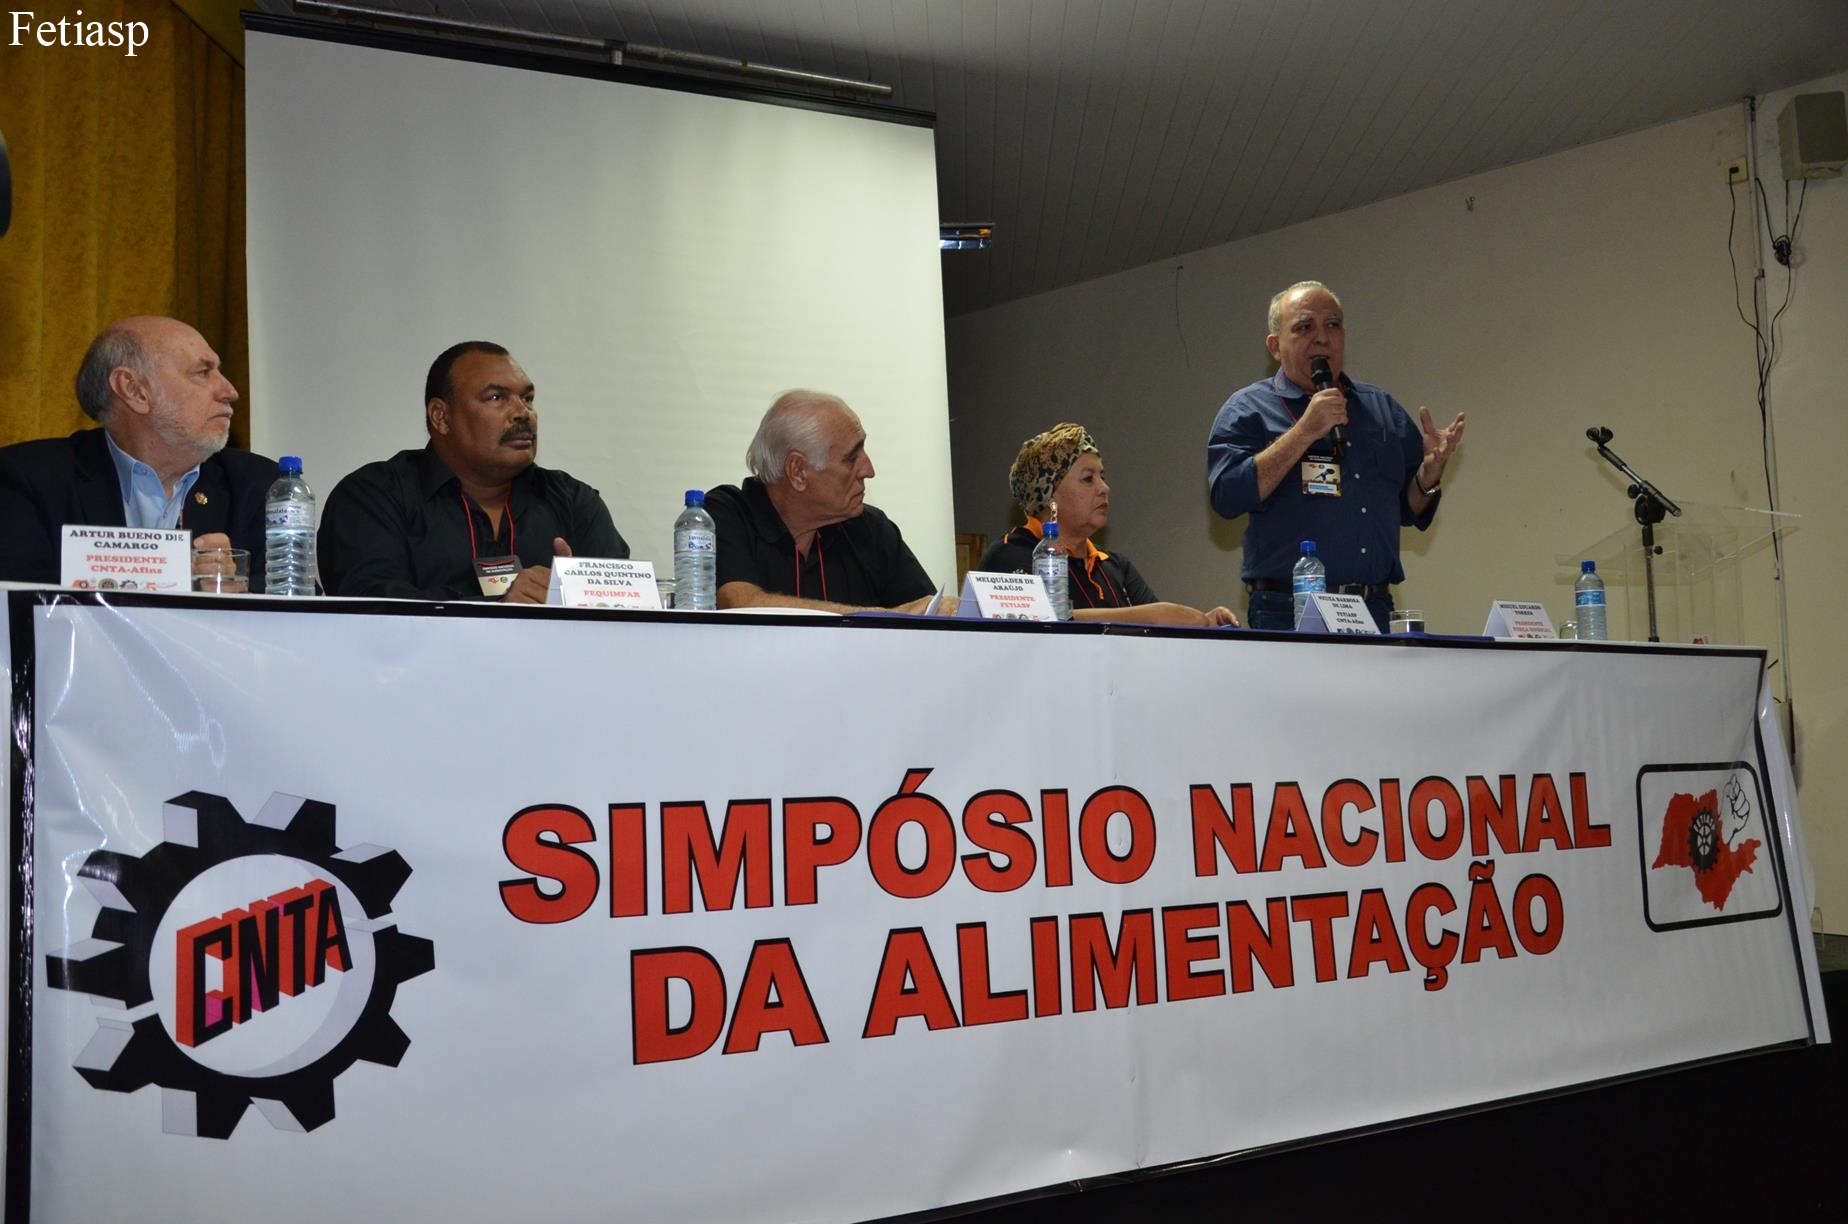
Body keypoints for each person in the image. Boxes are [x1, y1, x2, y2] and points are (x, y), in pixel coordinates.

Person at [1206, 281, 1465, 630]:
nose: (1322, 338)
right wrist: (1305, 431)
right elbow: (1227, 497)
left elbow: (1408, 510)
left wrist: (1429, 475)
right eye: (1304, 327)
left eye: (1332, 325)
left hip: (1372, 608)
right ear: (1275, 346)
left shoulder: (1381, 409)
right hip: (1289, 610)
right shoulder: (1247, 409)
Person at [318, 341, 628, 601]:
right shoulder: (374, 497)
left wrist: (582, 596)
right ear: (441, 417)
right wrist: (500, 604)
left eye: (527, 398)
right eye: (496, 398)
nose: (522, 412)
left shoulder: (573, 502)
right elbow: (370, 606)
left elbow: (628, 608)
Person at [0, 316, 278, 588]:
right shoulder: (27, 479)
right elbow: (17, 595)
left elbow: (293, 592)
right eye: (203, 372)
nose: (230, 391)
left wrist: (238, 589)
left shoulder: (259, 483)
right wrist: (174, 577)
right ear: (133, 390)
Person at [980, 423, 1238, 627]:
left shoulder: (1114, 565)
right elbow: (1032, 627)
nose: (1104, 488)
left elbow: (1165, 629)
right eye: (1088, 479)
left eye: (1102, 476)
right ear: (1048, 495)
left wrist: (1205, 621)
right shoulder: (1010, 556)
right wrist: (1155, 616)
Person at [705, 390, 937, 613]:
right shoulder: (724, 515)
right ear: (798, 471)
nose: (868, 470)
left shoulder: (871, 529)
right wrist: (878, 616)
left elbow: (927, 615)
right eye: (851, 458)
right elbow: (740, 604)